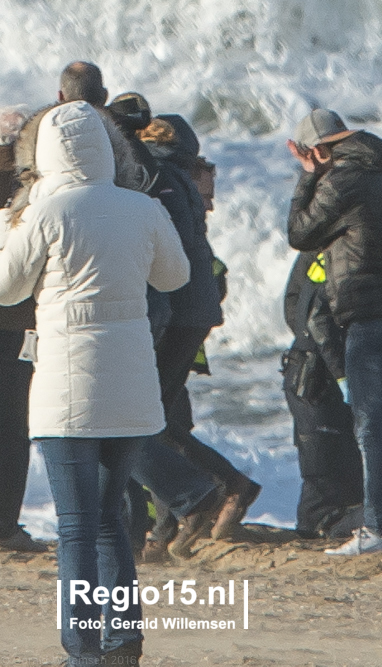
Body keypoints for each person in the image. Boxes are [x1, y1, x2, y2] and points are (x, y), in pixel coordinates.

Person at [0, 101, 189, 666]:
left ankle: (81, 650)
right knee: (113, 520)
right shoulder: (141, 207)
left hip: (67, 386)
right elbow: (174, 276)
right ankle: (122, 641)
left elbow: (7, 289)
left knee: (76, 526)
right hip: (131, 382)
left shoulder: (45, 210)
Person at [287, 109, 382, 556]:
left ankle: (377, 527)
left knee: (369, 425)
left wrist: (307, 178)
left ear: (320, 150)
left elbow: (300, 232)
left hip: (366, 311)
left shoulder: (343, 179)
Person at [136, 114, 260, 548]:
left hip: (179, 308)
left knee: (148, 420)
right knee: (159, 418)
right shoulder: (174, 175)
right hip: (193, 307)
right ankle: (175, 521)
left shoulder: (155, 176)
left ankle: (221, 489)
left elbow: (166, 248)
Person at [282, 251, 363, 538]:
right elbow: (303, 308)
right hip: (314, 374)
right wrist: (335, 366)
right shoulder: (330, 248)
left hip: (327, 367)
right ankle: (313, 531)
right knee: (322, 471)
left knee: (345, 468)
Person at [0, 105, 46, 553]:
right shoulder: (31, 190)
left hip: (16, 323)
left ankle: (7, 525)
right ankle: (6, 526)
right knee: (13, 428)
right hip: (15, 322)